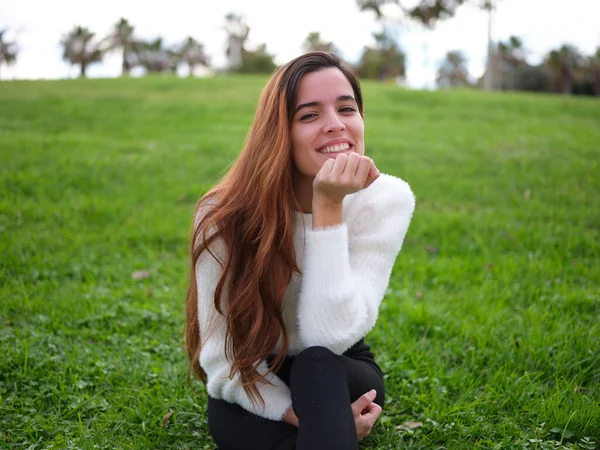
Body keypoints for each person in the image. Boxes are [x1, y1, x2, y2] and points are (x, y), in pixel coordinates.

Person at [185, 51, 415, 450]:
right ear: (279, 132)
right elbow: (222, 359)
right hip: (253, 368)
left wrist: (328, 206)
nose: (336, 124)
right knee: (253, 428)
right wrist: (304, 419)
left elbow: (331, 336)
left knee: (316, 364)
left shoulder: (386, 199)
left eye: (347, 108)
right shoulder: (222, 215)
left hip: (338, 364)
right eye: (309, 115)